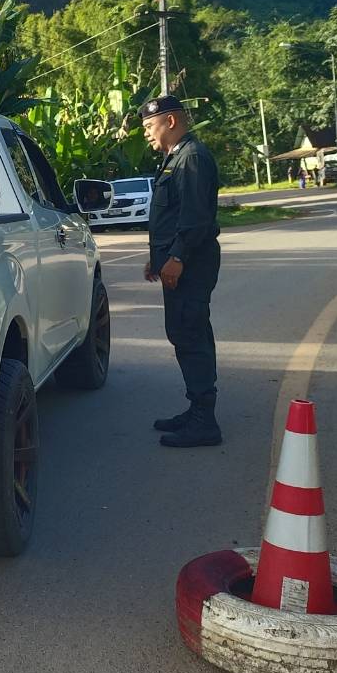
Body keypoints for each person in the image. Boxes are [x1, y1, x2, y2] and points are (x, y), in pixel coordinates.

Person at [139, 95, 223, 448]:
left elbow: (194, 217)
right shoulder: (176, 157)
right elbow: (171, 216)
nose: (146, 133)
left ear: (170, 121)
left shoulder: (192, 158)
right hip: (180, 262)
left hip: (191, 264)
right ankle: (196, 409)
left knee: (190, 334)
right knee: (187, 332)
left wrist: (177, 257)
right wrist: (158, 257)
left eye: (149, 126)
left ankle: (204, 421)